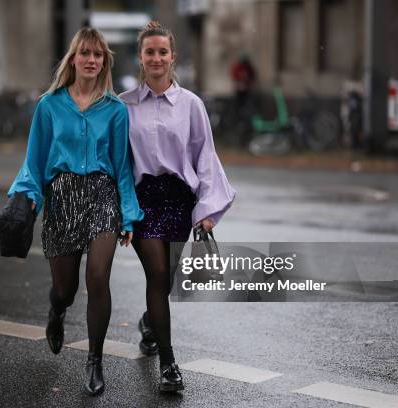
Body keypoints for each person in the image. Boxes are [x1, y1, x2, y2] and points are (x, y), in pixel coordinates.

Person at [8, 27, 143, 396]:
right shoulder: (49, 105)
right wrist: (26, 197)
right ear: (73, 58)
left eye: (98, 55)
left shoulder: (115, 110)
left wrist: (128, 215)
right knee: (65, 289)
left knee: (98, 277)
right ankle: (57, 311)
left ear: (104, 62)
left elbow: (122, 166)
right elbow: (33, 162)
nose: (91, 60)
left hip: (102, 195)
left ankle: (95, 360)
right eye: (85, 53)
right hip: (62, 196)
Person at [119, 21, 236, 392]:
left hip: (178, 202)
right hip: (141, 201)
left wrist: (205, 210)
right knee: (157, 273)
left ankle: (149, 324)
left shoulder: (191, 105)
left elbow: (206, 157)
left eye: (162, 51)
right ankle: (169, 364)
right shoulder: (123, 107)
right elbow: (118, 162)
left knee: (164, 279)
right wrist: (120, 209)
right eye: (149, 51)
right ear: (141, 56)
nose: (156, 57)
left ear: (173, 57)